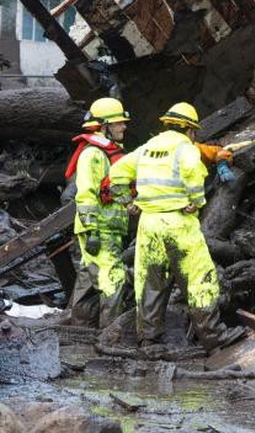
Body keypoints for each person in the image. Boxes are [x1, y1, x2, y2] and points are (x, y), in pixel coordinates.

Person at [109, 102, 244, 352]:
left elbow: (116, 173)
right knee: (198, 279)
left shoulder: (146, 149)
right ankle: (214, 337)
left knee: (151, 282)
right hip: (178, 222)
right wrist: (197, 201)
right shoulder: (185, 148)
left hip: (148, 225)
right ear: (189, 129)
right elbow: (194, 174)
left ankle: (149, 341)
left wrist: (127, 202)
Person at [64, 97, 135, 328]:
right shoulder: (93, 154)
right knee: (112, 280)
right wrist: (91, 229)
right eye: (118, 123)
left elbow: (114, 188)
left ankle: (80, 329)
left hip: (107, 227)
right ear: (104, 126)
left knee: (88, 278)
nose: (124, 126)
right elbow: (85, 194)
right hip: (100, 230)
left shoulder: (107, 153)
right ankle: (112, 337)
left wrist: (128, 204)